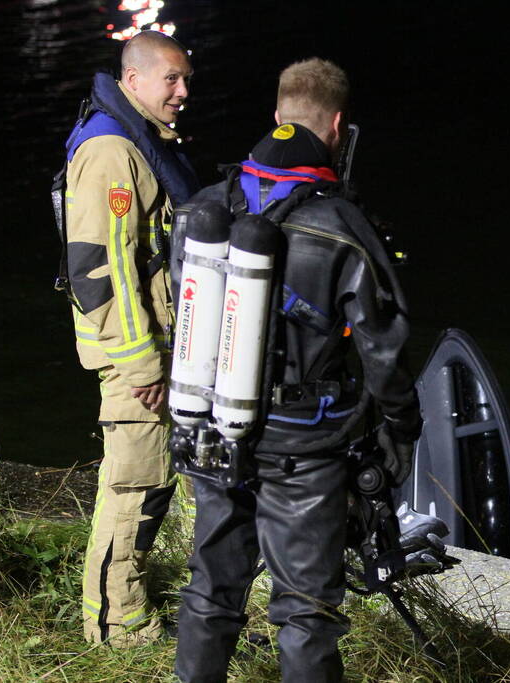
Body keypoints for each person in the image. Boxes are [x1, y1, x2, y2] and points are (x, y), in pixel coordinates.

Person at [172, 57, 421, 682]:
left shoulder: (206, 208)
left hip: (213, 429)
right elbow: (384, 350)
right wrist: (401, 427)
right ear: (338, 128)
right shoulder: (342, 225)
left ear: (277, 115)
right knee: (305, 611)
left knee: (211, 588)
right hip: (304, 446)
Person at [62, 30, 199, 646]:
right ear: (134, 80)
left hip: (160, 352)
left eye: (186, 79)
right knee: (132, 490)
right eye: (171, 79)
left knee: (163, 482)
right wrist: (143, 367)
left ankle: (155, 609)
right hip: (134, 361)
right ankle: (115, 630)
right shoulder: (111, 153)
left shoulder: (140, 142)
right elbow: (102, 271)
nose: (183, 91)